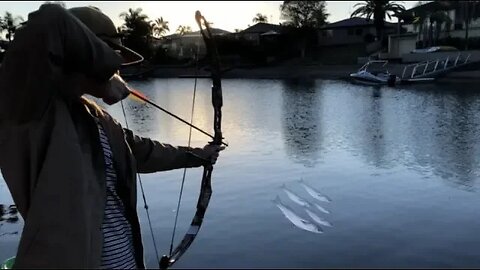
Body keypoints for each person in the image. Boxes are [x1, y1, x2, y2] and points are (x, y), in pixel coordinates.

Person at [0, 4, 224, 269]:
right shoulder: (30, 110)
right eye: (112, 56)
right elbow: (50, 21)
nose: (119, 69)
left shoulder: (96, 117)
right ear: (83, 52)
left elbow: (143, 151)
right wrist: (105, 77)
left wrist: (200, 155)